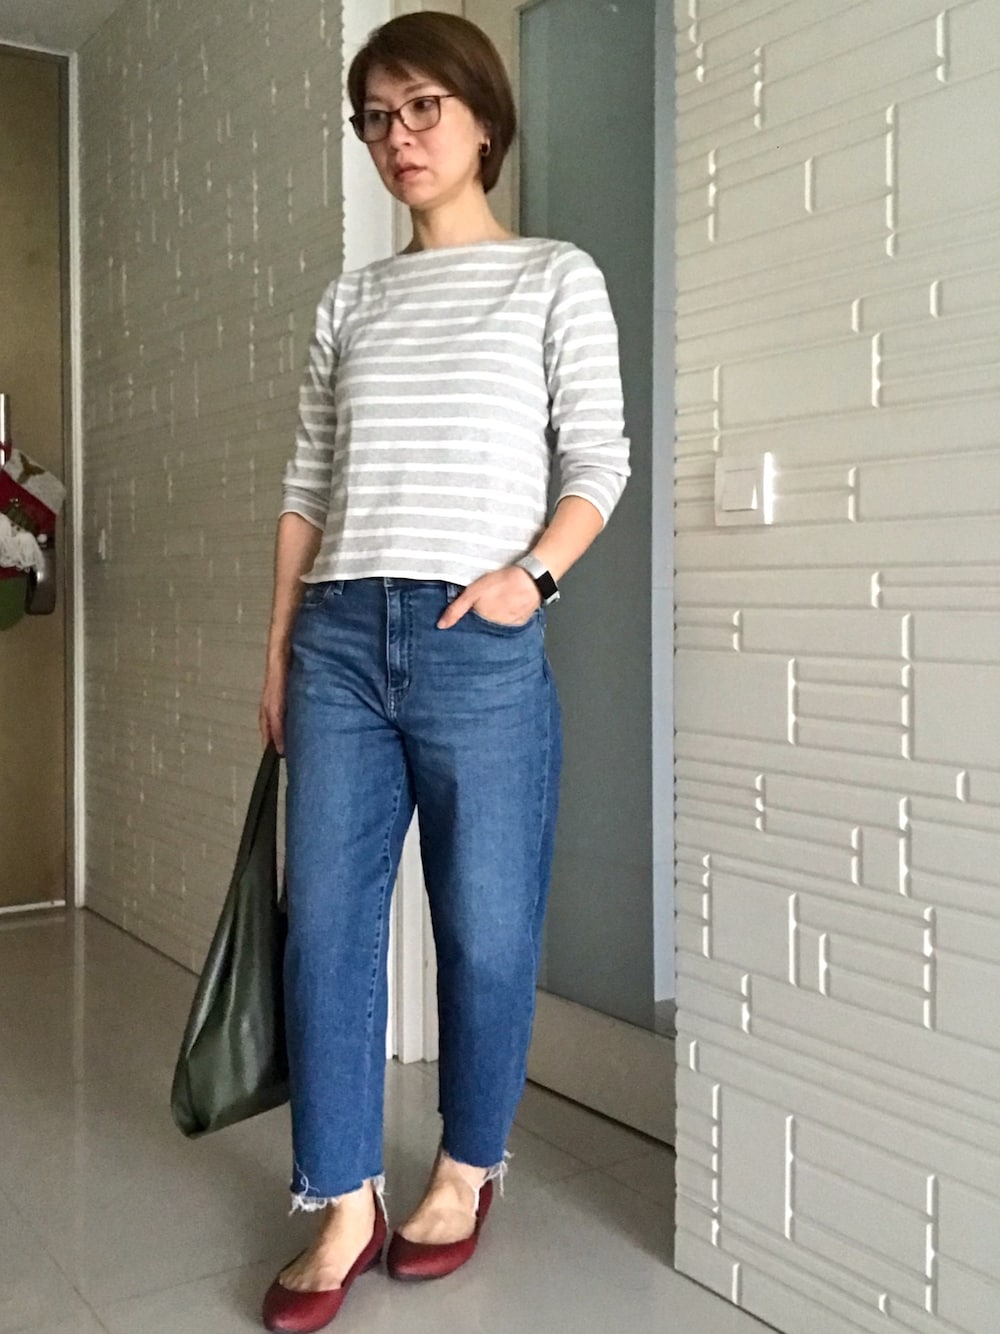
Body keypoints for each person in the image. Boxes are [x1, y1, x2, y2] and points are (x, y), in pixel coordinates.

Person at [257, 11, 630, 1332]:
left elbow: (599, 460)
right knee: (327, 928)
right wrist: (278, 645)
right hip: (339, 641)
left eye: (423, 107)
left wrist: (534, 577)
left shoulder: (552, 276)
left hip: (479, 637)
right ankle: (343, 1195)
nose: (398, 137)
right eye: (376, 116)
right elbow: (308, 485)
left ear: (481, 120)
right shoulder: (351, 299)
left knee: (483, 927)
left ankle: (467, 1168)